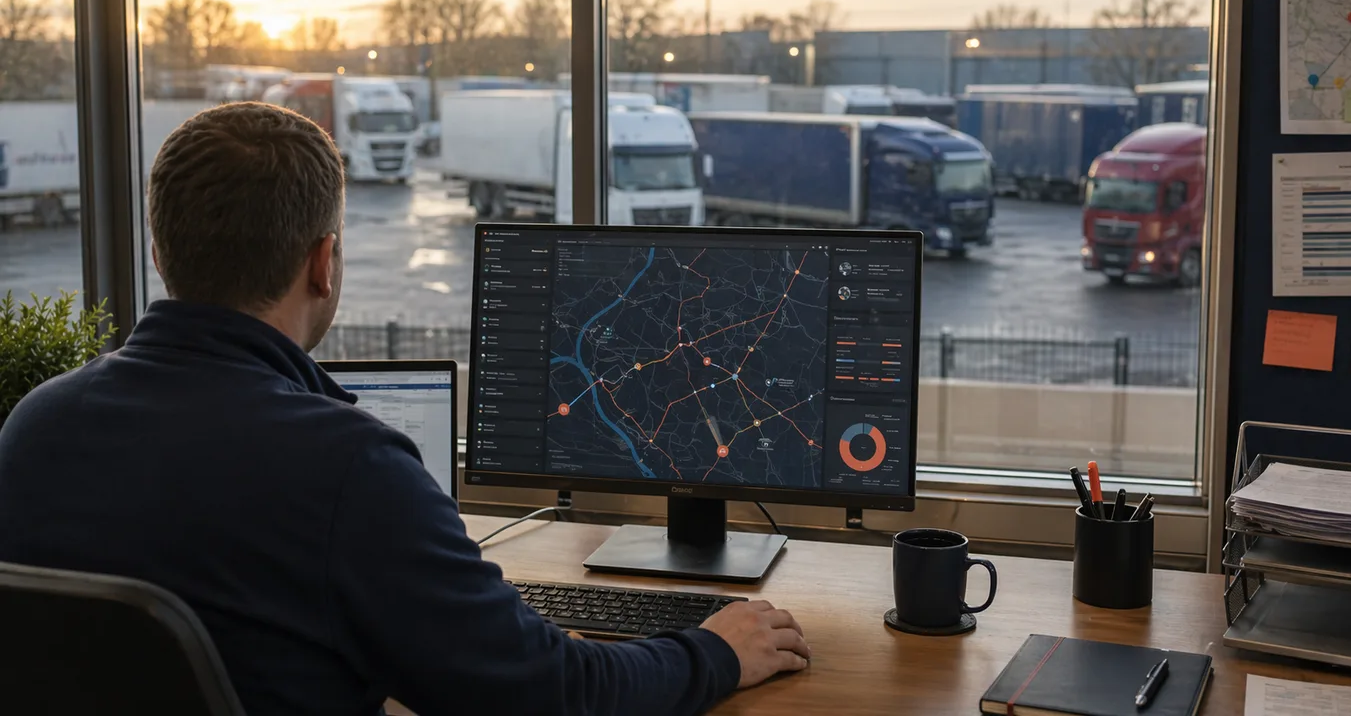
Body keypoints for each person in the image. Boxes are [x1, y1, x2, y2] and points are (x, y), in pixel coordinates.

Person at [0, 102, 810, 715]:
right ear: (324, 262)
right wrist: (713, 653)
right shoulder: (344, 468)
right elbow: (550, 693)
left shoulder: (33, 427)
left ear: (158, 252)